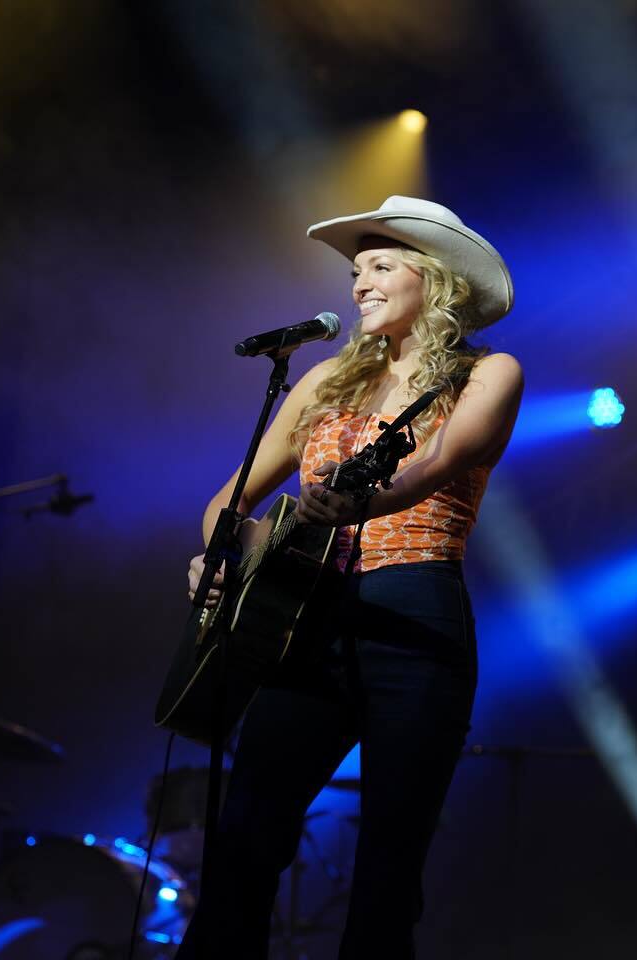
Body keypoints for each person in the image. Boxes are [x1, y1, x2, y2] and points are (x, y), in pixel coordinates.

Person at [175, 196, 523, 959]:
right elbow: (227, 503)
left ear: (433, 281)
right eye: (356, 270)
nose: (359, 283)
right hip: (303, 615)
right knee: (246, 834)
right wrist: (223, 555)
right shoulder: (322, 382)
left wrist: (359, 500)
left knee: (390, 856)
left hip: (416, 610)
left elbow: (437, 464)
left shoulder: (490, 373)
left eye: (380, 266)